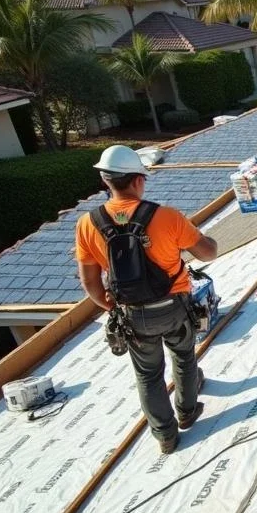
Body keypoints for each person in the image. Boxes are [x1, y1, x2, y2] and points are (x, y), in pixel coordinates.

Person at [75, 145, 219, 454]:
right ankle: (187, 411)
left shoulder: (87, 224)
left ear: (106, 180)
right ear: (139, 180)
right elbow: (208, 252)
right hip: (174, 307)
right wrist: (206, 241)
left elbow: (90, 282)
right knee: (183, 357)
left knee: (148, 374)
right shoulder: (166, 216)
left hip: (133, 314)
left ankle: (165, 436)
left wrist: (114, 307)